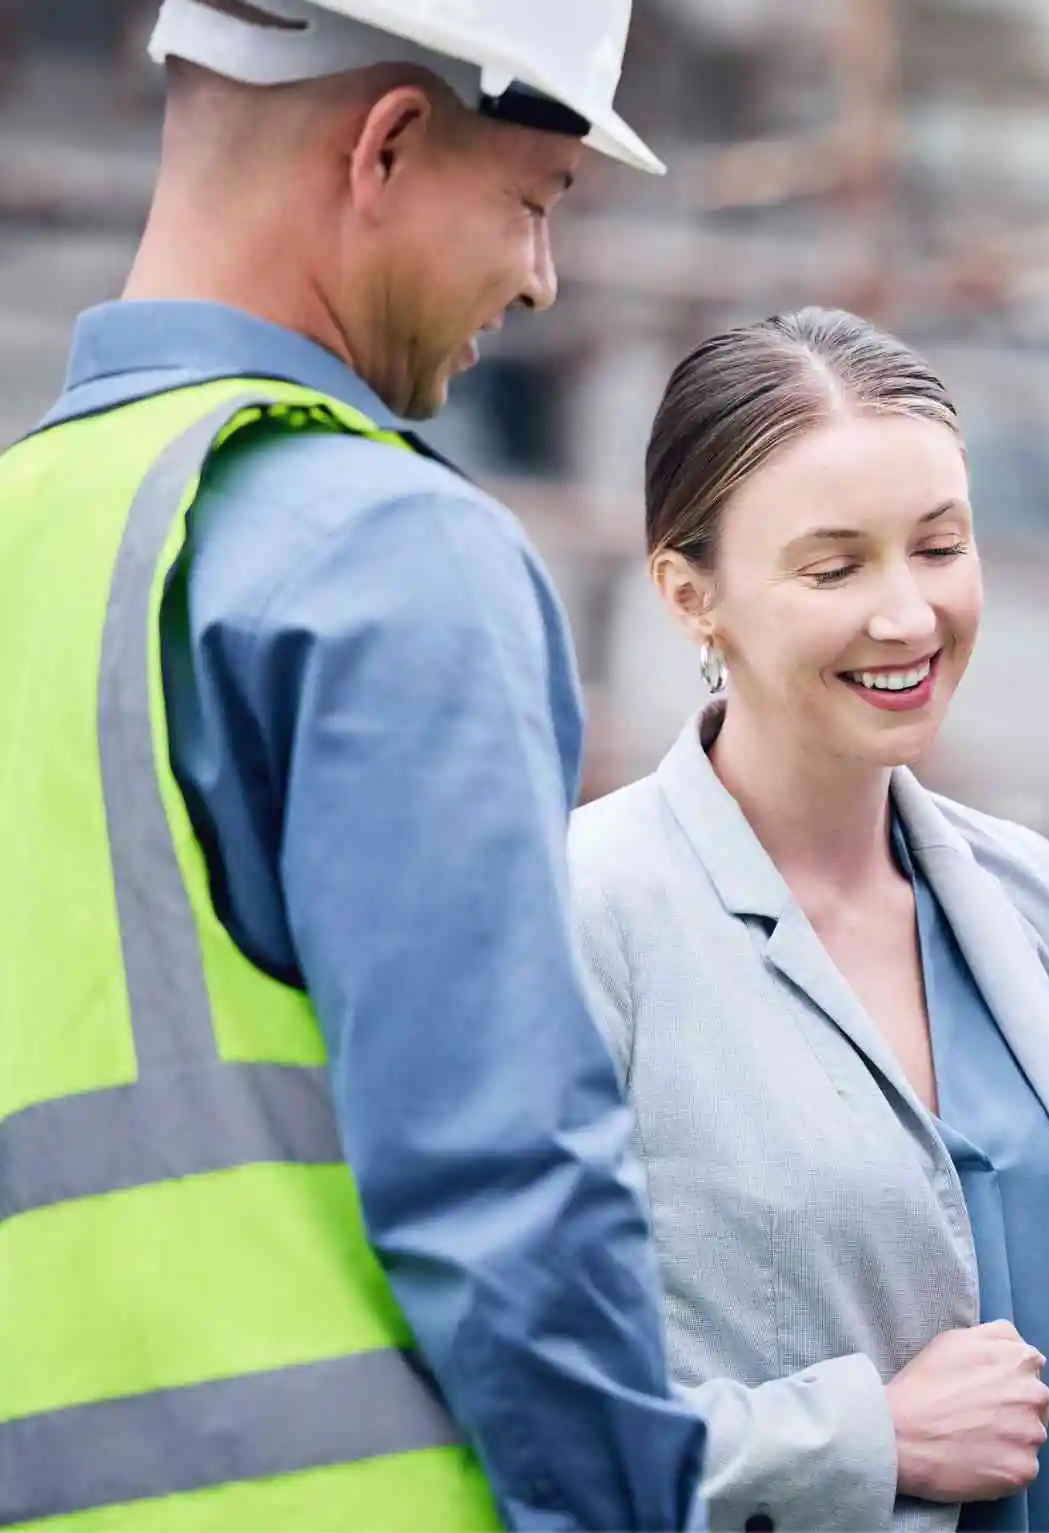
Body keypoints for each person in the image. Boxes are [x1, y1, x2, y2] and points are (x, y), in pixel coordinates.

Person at [0, 2, 707, 1528]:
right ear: (386, 141)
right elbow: (509, 1188)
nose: (540, 277)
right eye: (533, 202)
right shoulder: (386, 555)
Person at [567, 309, 1049, 1533]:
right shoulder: (589, 906)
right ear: (691, 595)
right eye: (834, 568)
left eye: (938, 547)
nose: (907, 616)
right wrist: (860, 1441)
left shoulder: (1024, 896)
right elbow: (520, 1399)